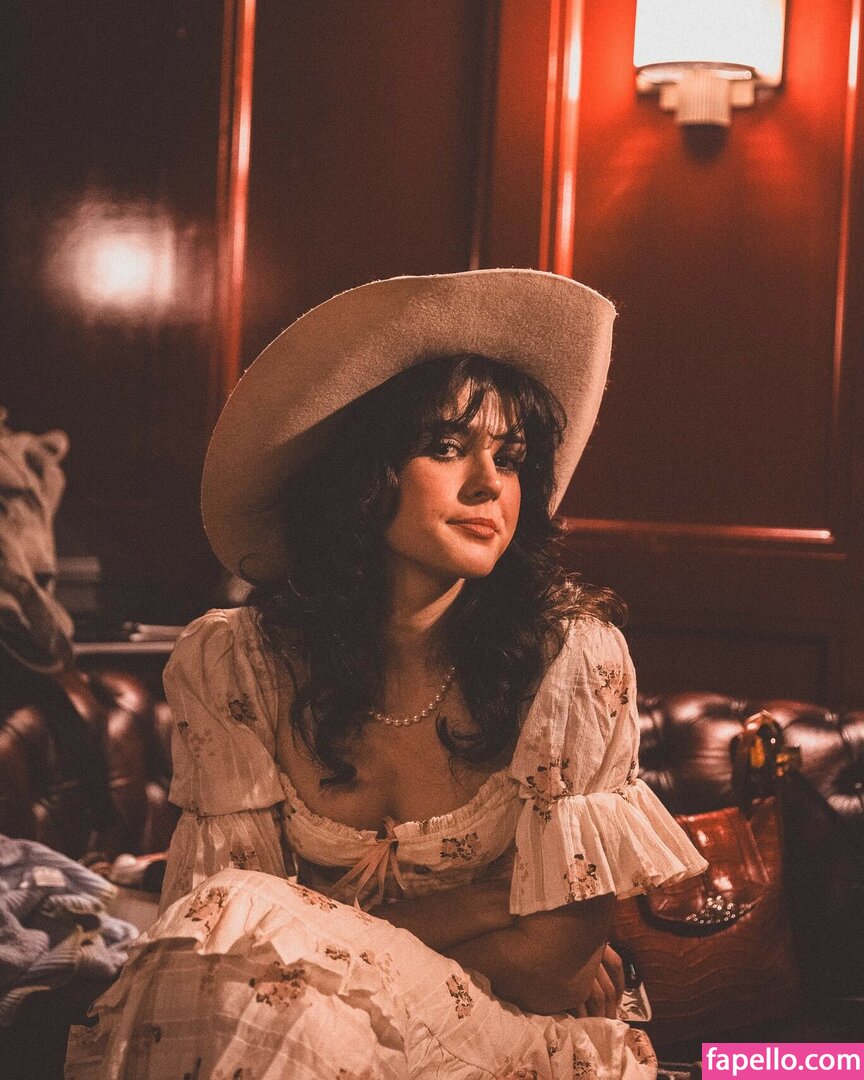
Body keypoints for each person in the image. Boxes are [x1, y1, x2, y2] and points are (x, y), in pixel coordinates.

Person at [66, 270, 707, 1080]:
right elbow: (223, 937)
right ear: (363, 475)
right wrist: (489, 901)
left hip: (505, 1034)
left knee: (270, 985)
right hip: (285, 1023)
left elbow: (552, 970)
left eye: (511, 458)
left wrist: (314, 928)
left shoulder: (571, 663)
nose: (489, 484)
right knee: (240, 982)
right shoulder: (238, 663)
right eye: (447, 448)